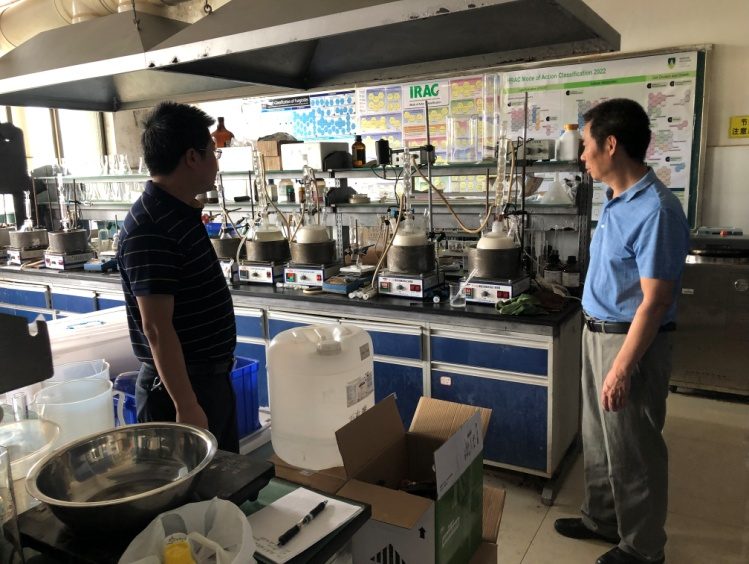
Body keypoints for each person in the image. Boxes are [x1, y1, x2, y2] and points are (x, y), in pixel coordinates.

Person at [553, 99, 690, 564]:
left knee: (634, 447)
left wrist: (622, 368)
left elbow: (656, 302)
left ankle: (643, 548)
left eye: (586, 145)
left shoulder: (656, 211)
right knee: (598, 437)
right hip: (598, 332)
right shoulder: (614, 199)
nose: (582, 156)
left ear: (611, 145)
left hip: (631, 342)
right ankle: (602, 518)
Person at [117, 101, 239, 453]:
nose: (216, 163)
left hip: (206, 382)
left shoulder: (176, 212)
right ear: (192, 158)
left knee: (223, 479)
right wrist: (186, 404)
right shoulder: (150, 227)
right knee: (193, 486)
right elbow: (156, 328)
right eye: (213, 152)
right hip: (181, 391)